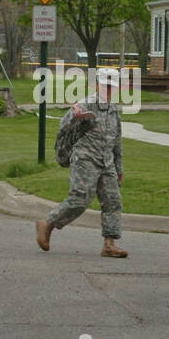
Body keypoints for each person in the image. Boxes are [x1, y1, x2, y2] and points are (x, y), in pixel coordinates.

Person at [36, 67, 127, 258]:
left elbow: (117, 142)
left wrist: (119, 168)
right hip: (85, 160)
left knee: (113, 201)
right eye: (106, 86)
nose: (109, 90)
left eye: (112, 87)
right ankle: (47, 223)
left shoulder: (113, 110)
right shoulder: (85, 104)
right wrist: (75, 118)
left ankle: (109, 244)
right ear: (97, 85)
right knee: (79, 199)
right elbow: (64, 127)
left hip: (106, 162)